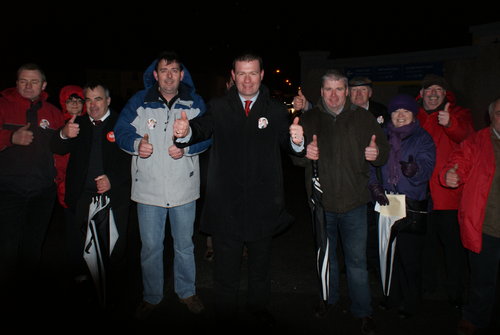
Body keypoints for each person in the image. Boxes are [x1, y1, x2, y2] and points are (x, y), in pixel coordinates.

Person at [173, 52, 305, 328]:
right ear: (233, 76)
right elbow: (202, 127)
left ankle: (258, 308)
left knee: (260, 267)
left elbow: (289, 144)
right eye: (241, 73)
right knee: (226, 269)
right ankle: (225, 314)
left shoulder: (275, 110)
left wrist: (296, 141)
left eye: (253, 73)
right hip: (226, 205)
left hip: (263, 203)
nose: (247, 80)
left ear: (262, 75)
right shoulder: (219, 106)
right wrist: (185, 132)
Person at [290, 69, 389, 335]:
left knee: (357, 263)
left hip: (355, 202)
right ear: (321, 92)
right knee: (327, 259)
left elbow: (383, 151)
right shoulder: (309, 118)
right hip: (322, 204)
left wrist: (376, 152)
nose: (333, 95)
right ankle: (328, 300)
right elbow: (296, 157)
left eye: (338, 89)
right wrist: (302, 151)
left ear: (346, 92)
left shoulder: (363, 117)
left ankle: (363, 311)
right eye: (328, 90)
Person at [113, 51, 211, 319]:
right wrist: (137, 144)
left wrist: (187, 144)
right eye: (164, 70)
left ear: (182, 74)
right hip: (148, 190)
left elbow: (208, 134)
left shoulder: (194, 102)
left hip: (184, 189)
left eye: (174, 70)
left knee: (184, 245)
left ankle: (187, 292)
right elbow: (121, 131)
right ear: (155, 75)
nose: (169, 75)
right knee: (151, 247)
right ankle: (152, 296)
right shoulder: (139, 101)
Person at [51, 82, 132, 308]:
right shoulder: (78, 124)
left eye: (97, 99)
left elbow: (132, 159)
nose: (92, 105)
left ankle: (115, 294)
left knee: (115, 247)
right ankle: (91, 293)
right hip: (84, 197)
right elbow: (57, 147)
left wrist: (112, 179)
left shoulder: (122, 123)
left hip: (114, 197)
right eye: (88, 100)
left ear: (107, 101)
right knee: (87, 247)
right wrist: (64, 134)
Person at [0, 63, 65, 304]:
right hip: (8, 189)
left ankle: (25, 296)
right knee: (7, 248)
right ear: (16, 83)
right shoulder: (3, 105)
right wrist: (10, 137)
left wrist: (60, 183)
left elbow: (62, 151)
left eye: (34, 82)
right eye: (23, 81)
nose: (28, 86)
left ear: (44, 85)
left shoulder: (53, 112)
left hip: (42, 191)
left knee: (33, 247)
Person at [368, 94, 435, 319]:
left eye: (405, 111)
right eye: (396, 111)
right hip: (387, 203)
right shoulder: (382, 136)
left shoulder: (422, 138)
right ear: (391, 115)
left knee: (410, 258)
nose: (400, 115)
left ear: (413, 115)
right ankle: (391, 297)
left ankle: (411, 302)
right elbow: (371, 164)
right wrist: (374, 186)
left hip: (411, 205)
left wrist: (416, 171)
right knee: (388, 254)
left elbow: (427, 165)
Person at [441, 96, 500, 335]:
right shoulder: (477, 141)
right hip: (486, 226)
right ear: (491, 116)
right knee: (482, 280)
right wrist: (450, 175)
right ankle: (475, 317)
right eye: (499, 112)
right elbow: (457, 163)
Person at [416, 74, 475, 307]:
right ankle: (427, 285)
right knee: (426, 245)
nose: (433, 93)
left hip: (448, 196)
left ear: (445, 95)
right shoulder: (414, 115)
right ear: (421, 94)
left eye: (438, 89)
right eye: (428, 89)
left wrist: (450, 122)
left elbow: (467, 137)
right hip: (421, 193)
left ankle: (455, 292)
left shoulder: (459, 114)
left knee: (453, 248)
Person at [54, 85, 86, 209]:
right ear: (64, 102)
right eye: (70, 100)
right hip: (63, 179)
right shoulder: (57, 121)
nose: (74, 104)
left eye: (78, 101)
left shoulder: (89, 122)